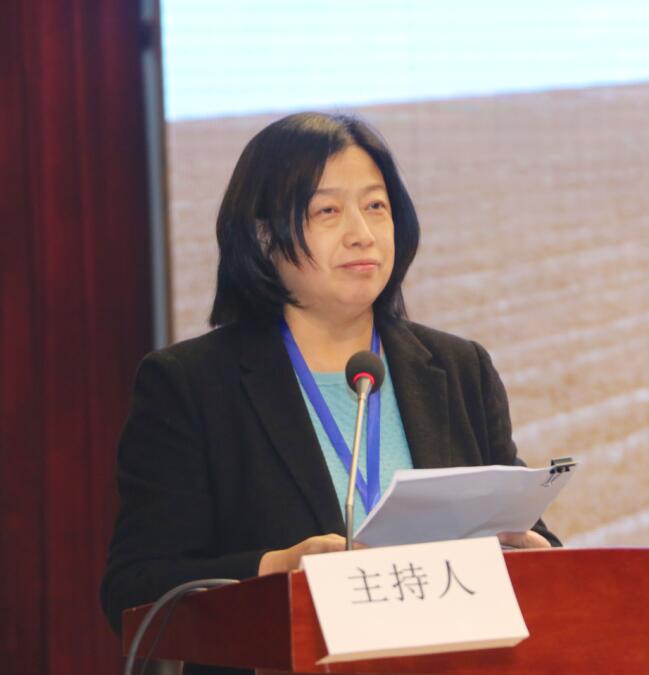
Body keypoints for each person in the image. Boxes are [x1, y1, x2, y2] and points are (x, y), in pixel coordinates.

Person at [100, 112, 560, 672]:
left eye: (376, 206)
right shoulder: (191, 385)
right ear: (263, 235)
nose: (362, 233)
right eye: (327, 211)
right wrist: (274, 568)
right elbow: (134, 589)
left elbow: (522, 532)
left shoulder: (458, 369)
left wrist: (540, 556)